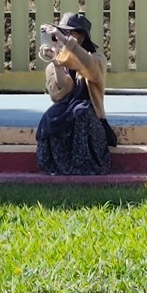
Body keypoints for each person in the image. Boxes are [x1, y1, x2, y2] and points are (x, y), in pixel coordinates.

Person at [35, 12, 117, 175]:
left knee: (81, 112)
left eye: (68, 32)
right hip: (65, 113)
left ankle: (84, 164)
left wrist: (66, 42)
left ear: (81, 36)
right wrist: (56, 62)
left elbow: (91, 71)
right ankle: (58, 164)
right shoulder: (54, 64)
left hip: (91, 119)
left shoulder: (97, 59)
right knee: (50, 117)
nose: (62, 36)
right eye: (61, 32)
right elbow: (60, 94)